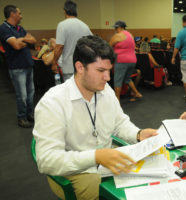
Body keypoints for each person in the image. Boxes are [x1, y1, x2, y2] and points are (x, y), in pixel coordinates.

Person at [33, 35, 157, 200]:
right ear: (80, 67)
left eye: (109, 70)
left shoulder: (106, 91)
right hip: (77, 171)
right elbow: (47, 160)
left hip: (106, 161)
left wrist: (138, 134)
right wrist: (96, 156)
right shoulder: (53, 102)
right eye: (101, 71)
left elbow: (119, 123)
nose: (108, 77)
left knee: (148, 182)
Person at [0, 5, 37, 128]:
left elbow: (33, 40)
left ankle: (29, 114)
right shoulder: (4, 28)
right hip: (17, 68)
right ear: (12, 14)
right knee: (22, 95)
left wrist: (23, 40)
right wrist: (24, 40)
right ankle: (22, 117)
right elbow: (16, 45)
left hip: (28, 65)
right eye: (19, 13)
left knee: (31, 93)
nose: (21, 16)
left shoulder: (20, 28)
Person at [52, 0, 92, 81]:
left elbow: (59, 47)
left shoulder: (62, 25)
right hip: (83, 66)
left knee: (70, 92)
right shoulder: (85, 26)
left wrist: (54, 62)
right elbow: (92, 44)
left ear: (65, 11)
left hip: (69, 68)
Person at [109, 20, 142, 101]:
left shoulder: (117, 35)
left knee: (117, 81)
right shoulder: (130, 35)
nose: (115, 29)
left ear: (121, 27)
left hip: (122, 61)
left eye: (116, 28)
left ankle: (117, 101)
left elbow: (108, 47)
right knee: (127, 78)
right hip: (132, 60)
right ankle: (137, 93)